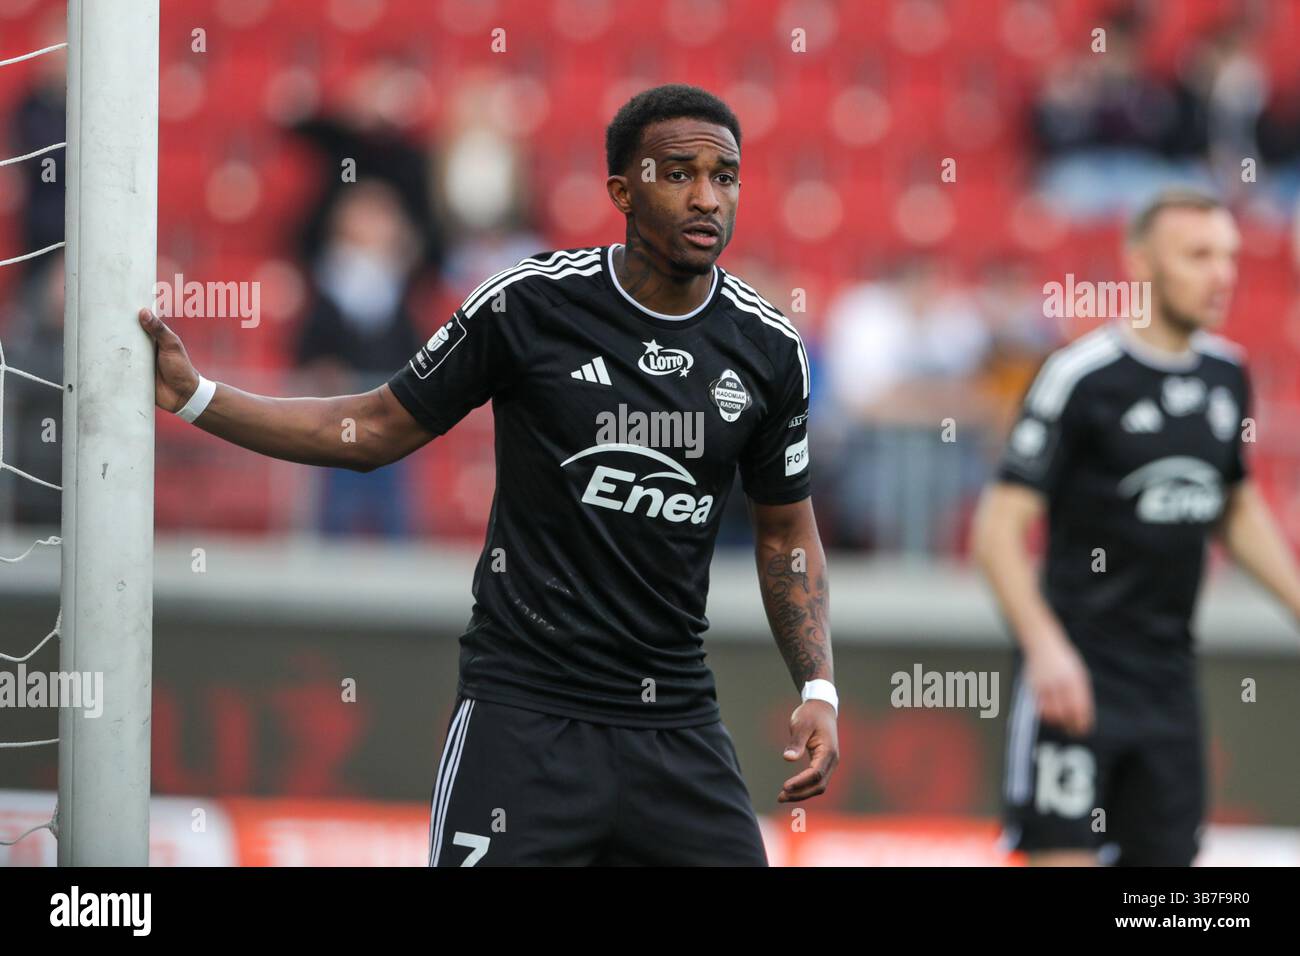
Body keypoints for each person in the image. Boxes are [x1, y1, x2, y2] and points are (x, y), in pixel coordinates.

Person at [137, 84, 837, 866]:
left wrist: (817, 687)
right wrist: (198, 398)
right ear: (622, 191)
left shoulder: (768, 349)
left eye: (725, 175)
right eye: (678, 174)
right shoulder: (531, 305)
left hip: (675, 723)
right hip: (523, 715)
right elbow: (373, 428)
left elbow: (785, 532)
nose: (707, 197)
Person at [972, 189, 1300, 866]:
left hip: (1169, 685)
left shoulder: (1227, 375)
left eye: (1230, 256)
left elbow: (1232, 503)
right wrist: (1046, 649)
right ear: (1142, 263)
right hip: (1077, 679)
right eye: (1199, 255)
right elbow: (997, 532)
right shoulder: (1080, 378)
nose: (1223, 275)